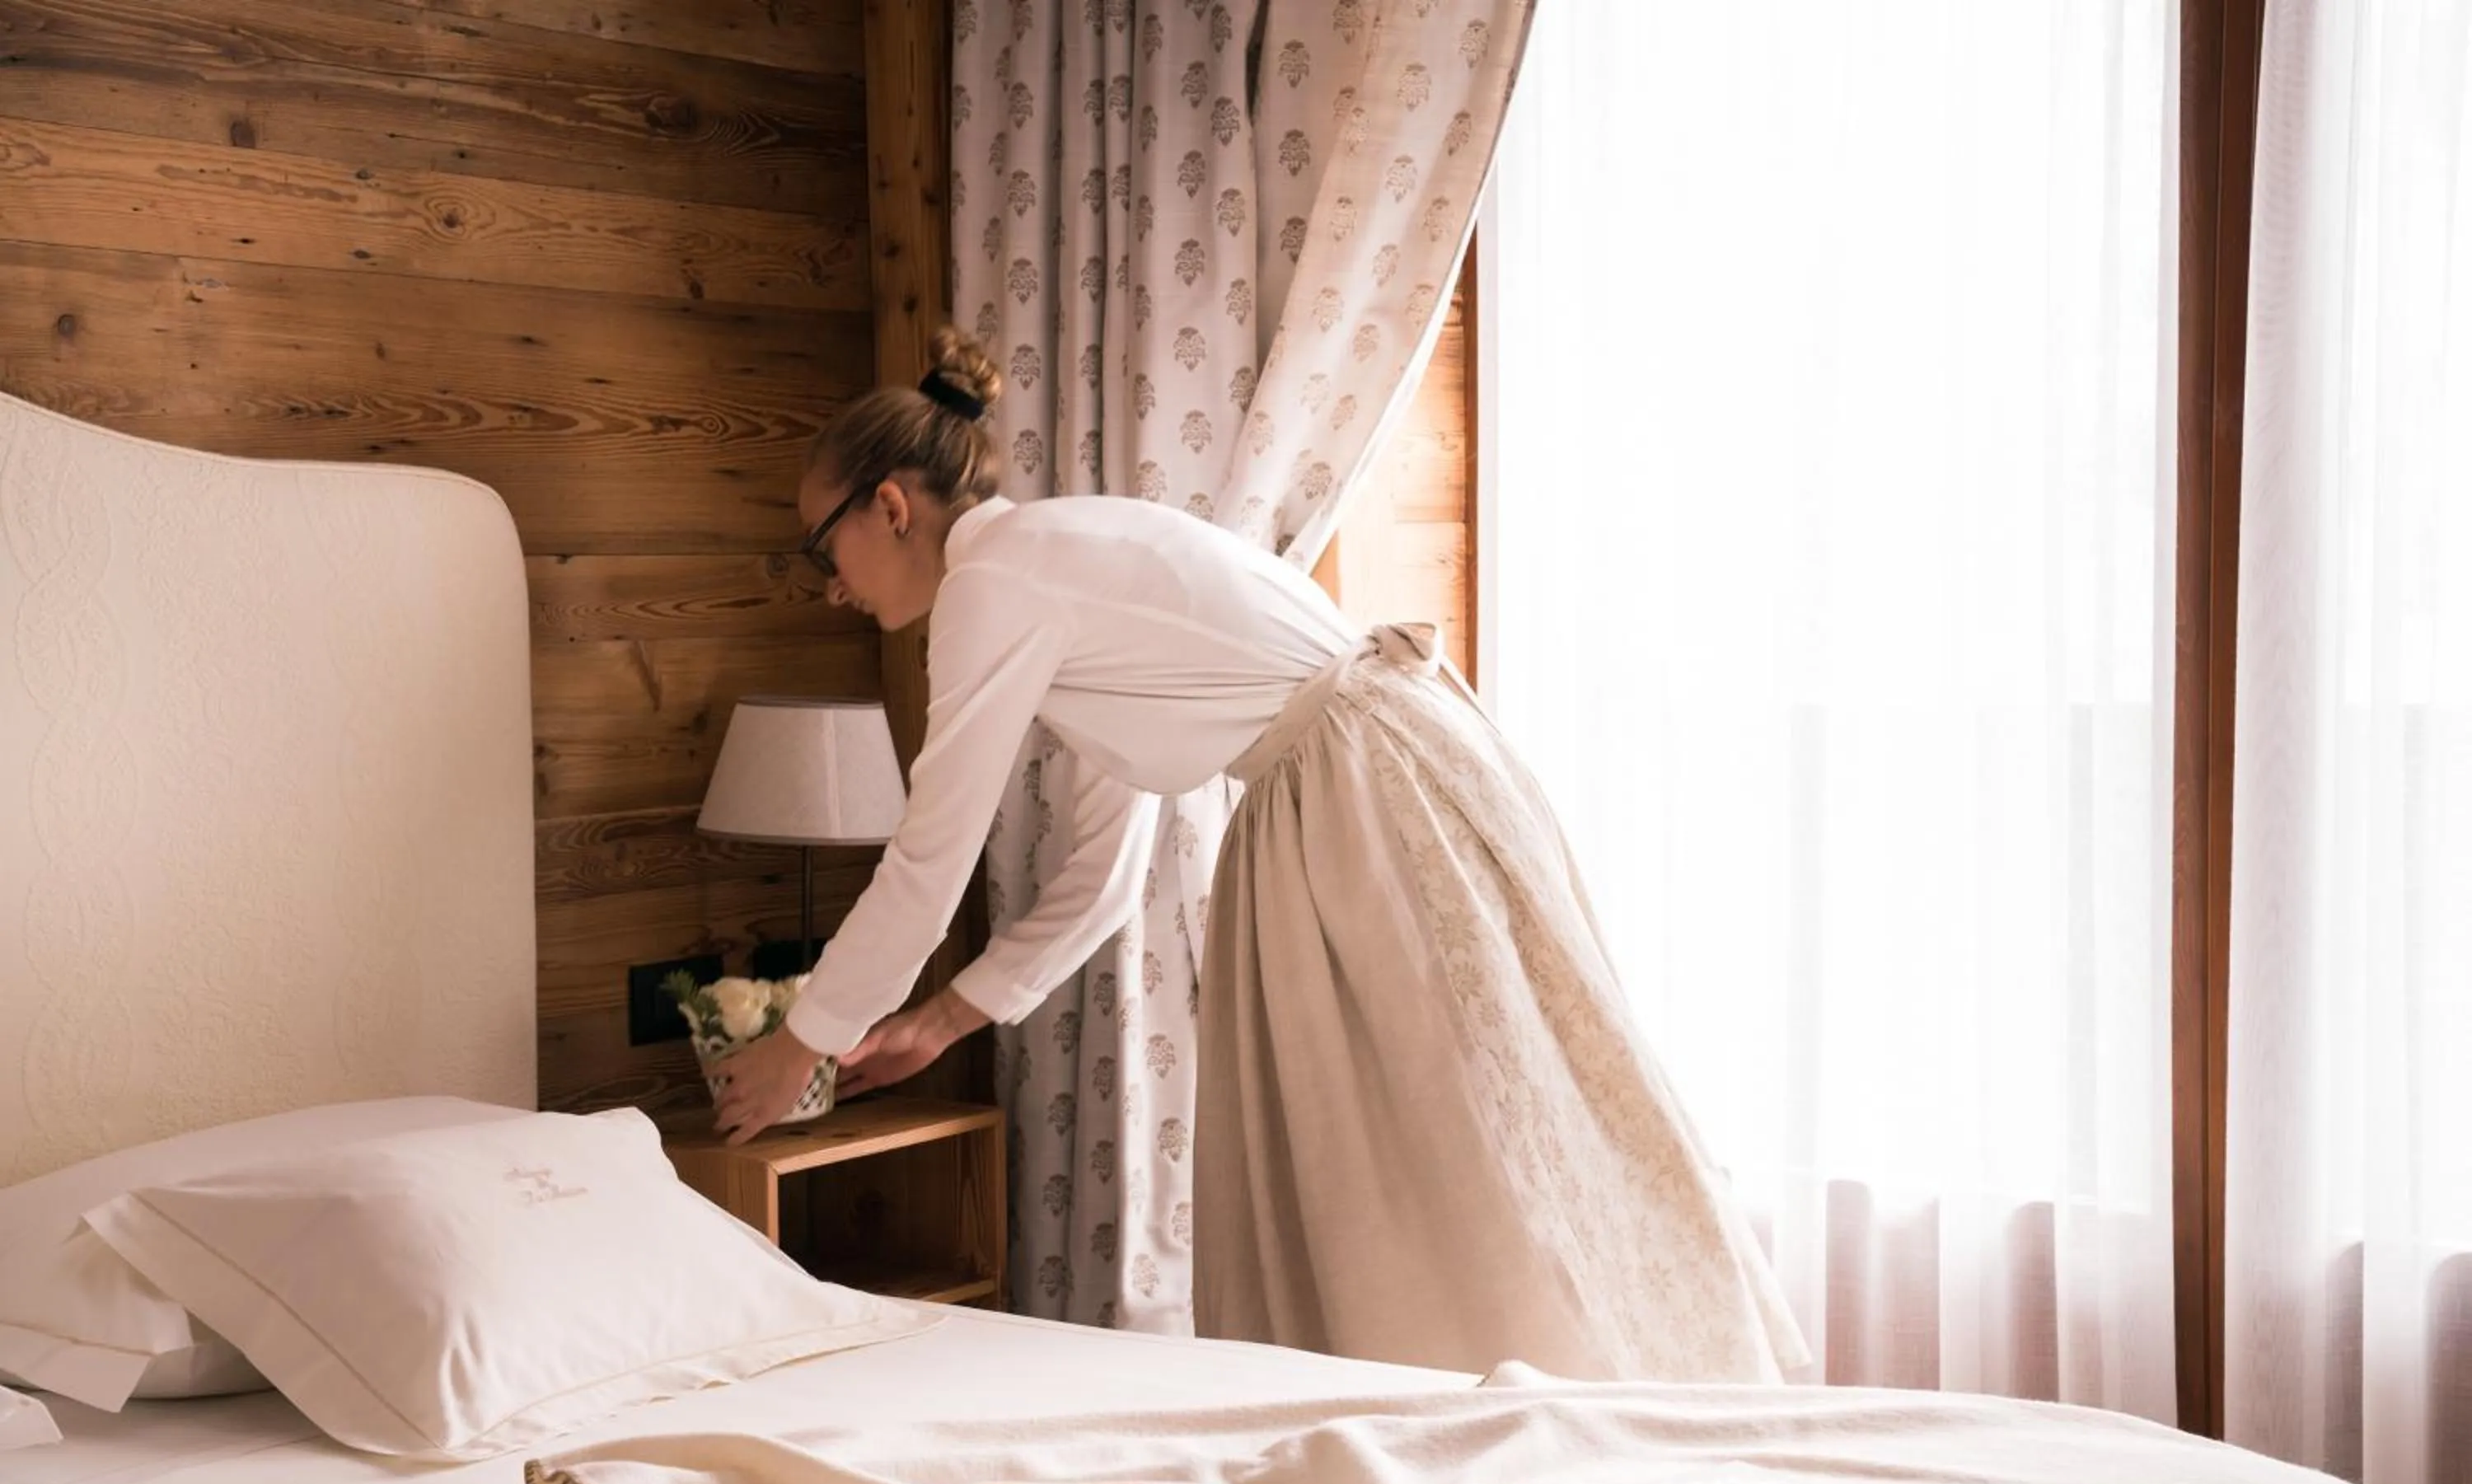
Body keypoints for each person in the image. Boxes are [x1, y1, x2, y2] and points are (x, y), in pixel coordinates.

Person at [712, 329, 1807, 1382]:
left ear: (890, 505)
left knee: (1446, 1157)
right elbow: (1104, 869)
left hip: (1359, 796)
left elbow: (927, 860)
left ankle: (1529, 1412)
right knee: (1489, 1132)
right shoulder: (1053, 560)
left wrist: (802, 1041)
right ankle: (1560, 1406)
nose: (832, 586)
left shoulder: (994, 587)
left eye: (824, 547)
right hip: (1387, 768)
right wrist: (945, 1018)